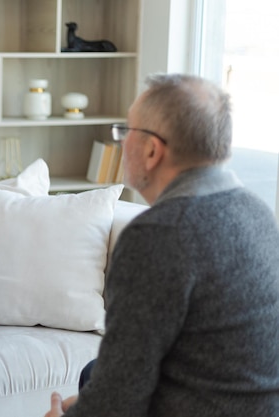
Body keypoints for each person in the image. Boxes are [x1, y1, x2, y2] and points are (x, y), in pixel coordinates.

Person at [45, 73, 279, 417]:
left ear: (152, 150)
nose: (121, 143)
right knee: (92, 374)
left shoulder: (159, 235)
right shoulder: (257, 211)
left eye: (126, 132)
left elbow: (118, 400)